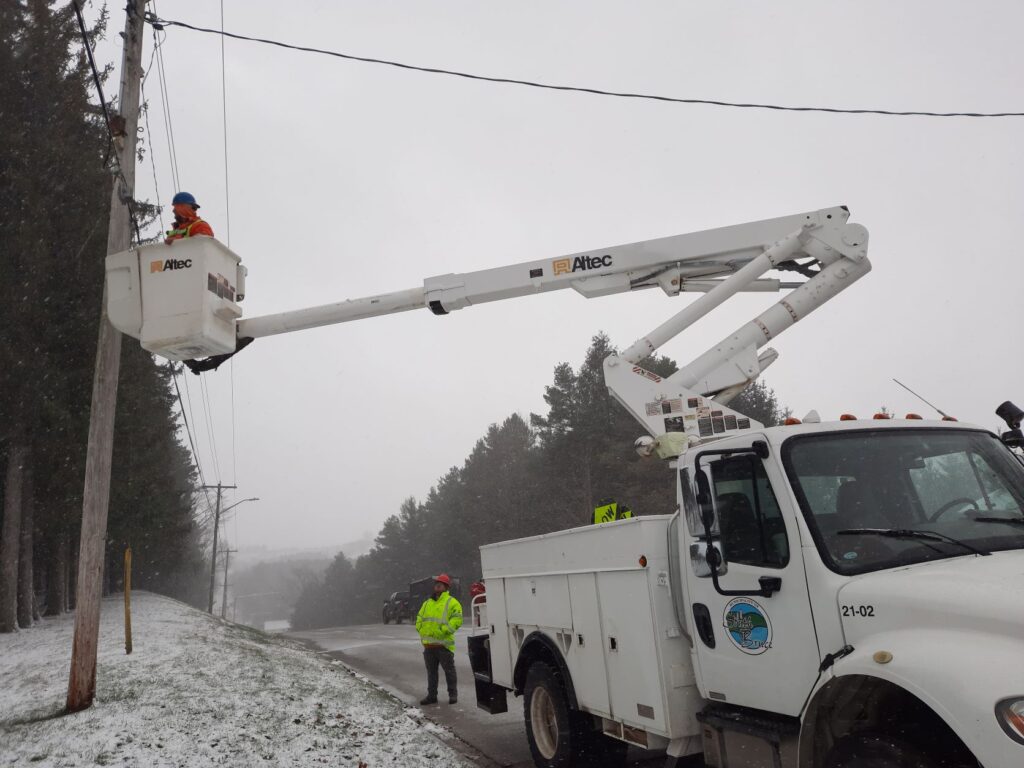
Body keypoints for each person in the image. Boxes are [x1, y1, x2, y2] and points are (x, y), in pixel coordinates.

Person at [415, 573, 462, 705]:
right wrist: (420, 628)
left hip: (444, 646)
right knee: (432, 674)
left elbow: (457, 619)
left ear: (446, 587)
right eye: (436, 584)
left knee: (449, 672)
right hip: (429, 646)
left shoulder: (452, 602)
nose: (437, 586)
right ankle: (432, 696)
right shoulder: (427, 603)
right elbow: (419, 617)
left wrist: (445, 630)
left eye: (440, 584)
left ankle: (453, 695)